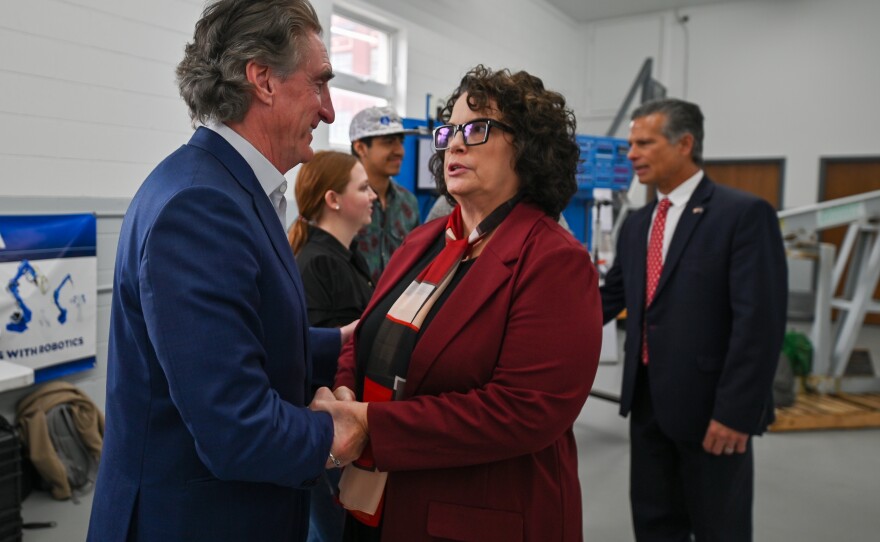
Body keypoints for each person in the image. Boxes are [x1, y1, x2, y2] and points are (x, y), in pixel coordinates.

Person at [88, 2, 367, 541]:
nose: (329, 111)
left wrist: (344, 341)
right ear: (262, 79)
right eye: (319, 85)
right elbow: (235, 427)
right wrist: (338, 434)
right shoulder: (199, 206)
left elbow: (239, 333)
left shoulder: (224, 185)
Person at [314, 65, 604, 542]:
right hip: (375, 501)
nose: (455, 143)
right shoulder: (426, 239)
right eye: (449, 130)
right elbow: (364, 333)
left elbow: (523, 410)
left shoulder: (554, 260)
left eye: (477, 127)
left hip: (477, 516)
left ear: (529, 145)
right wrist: (346, 397)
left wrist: (370, 424)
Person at [599, 98, 787, 541]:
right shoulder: (638, 223)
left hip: (713, 412)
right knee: (654, 522)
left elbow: (758, 325)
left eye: (644, 143)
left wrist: (736, 413)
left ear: (685, 144)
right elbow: (611, 297)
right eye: (630, 143)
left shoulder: (742, 215)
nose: (631, 154)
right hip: (647, 405)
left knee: (720, 527)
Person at [288, 150, 377, 542]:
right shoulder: (318, 264)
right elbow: (318, 354)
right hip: (330, 427)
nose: (373, 194)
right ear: (333, 199)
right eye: (363, 187)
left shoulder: (346, 258)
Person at [349, 106, 421, 283]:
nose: (400, 151)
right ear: (360, 147)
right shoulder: (340, 200)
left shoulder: (408, 203)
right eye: (388, 142)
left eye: (401, 142)